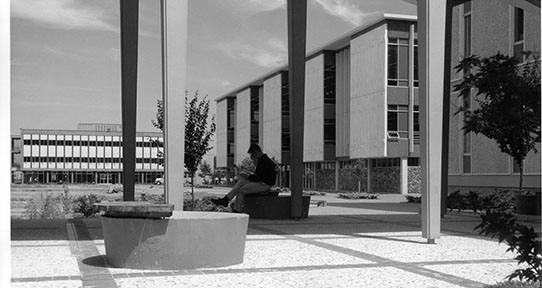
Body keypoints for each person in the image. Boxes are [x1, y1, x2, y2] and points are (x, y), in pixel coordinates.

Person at [212, 144, 276, 212]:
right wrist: (248, 176)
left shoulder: (264, 162)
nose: (253, 160)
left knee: (241, 190)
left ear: (256, 153)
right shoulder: (263, 160)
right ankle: (226, 199)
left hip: (264, 185)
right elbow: (259, 176)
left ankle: (236, 210)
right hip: (262, 182)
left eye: (253, 157)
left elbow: (259, 178)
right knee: (242, 181)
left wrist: (248, 176)